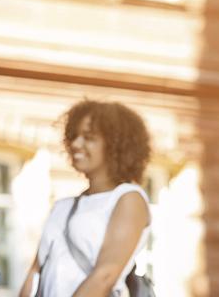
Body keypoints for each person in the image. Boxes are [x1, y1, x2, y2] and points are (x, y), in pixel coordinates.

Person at [19, 100, 151, 297]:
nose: (75, 144)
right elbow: (36, 270)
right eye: (73, 136)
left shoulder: (128, 198)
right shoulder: (62, 206)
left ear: (116, 145)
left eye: (88, 137)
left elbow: (104, 276)